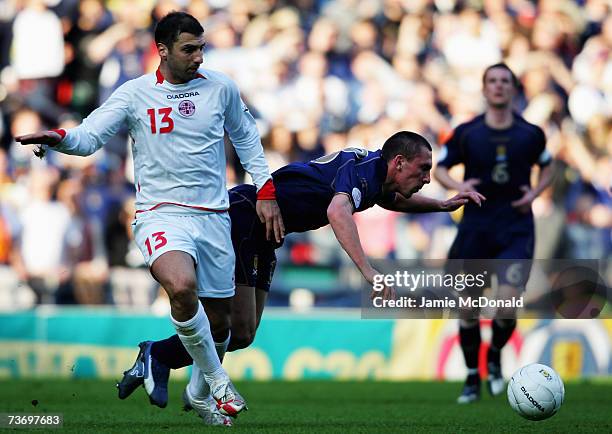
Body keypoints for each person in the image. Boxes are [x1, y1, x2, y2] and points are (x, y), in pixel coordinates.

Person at [16, 11, 284, 427]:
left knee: (222, 326)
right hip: (160, 214)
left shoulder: (221, 88)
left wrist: (266, 190)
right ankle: (218, 382)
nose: (198, 58)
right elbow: (89, 136)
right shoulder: (134, 93)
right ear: (162, 50)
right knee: (180, 285)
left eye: (202, 48)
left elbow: (247, 137)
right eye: (188, 49)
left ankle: (192, 390)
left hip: (214, 217)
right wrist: (60, 139)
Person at [116, 131, 485, 414]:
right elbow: (338, 213)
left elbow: (390, 198)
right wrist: (369, 271)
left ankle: (179, 374)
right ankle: (164, 360)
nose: (426, 178)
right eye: (424, 170)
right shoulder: (362, 172)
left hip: (267, 234)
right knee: (231, 325)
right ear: (400, 162)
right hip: (246, 218)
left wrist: (440, 205)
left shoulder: (374, 175)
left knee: (243, 334)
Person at [433, 63, 554, 404]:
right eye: (492, 81)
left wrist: (535, 192)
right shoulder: (467, 132)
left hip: (515, 228)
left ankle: (496, 354)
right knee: (468, 309)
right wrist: (459, 186)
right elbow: (440, 167)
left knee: (506, 303)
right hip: (476, 228)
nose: (499, 87)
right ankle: (472, 377)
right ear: (484, 89)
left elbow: (549, 165)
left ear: (513, 89)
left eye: (505, 81)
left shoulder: (530, 133)